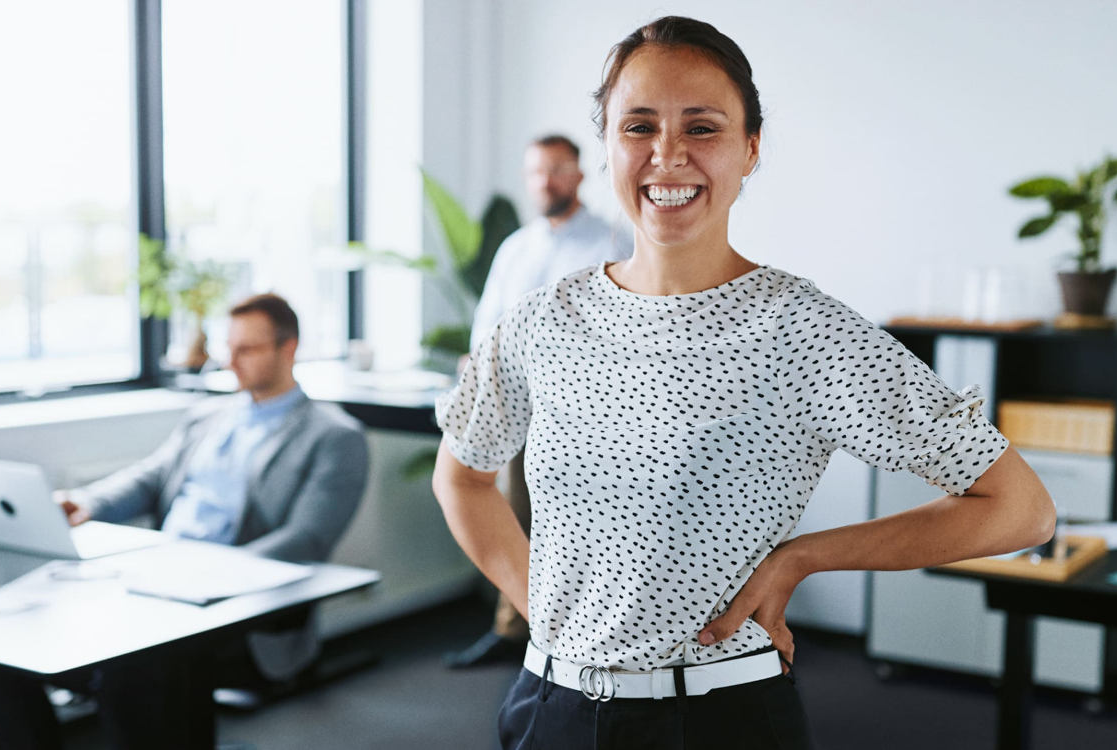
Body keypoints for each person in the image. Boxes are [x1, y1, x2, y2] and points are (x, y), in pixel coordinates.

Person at [431, 16, 1055, 749]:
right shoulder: (543, 322)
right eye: (638, 126)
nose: (668, 155)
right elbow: (464, 479)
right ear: (606, 145)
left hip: (716, 719)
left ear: (750, 149)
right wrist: (546, 609)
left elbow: (1019, 508)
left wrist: (804, 556)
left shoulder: (804, 331)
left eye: (702, 127)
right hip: (549, 709)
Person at [0, 292, 369, 750]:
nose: (230, 362)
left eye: (247, 350)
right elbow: (151, 476)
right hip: (157, 575)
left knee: (134, 661)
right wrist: (88, 503)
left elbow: (307, 538)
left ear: (289, 348)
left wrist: (205, 575)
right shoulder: (208, 416)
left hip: (232, 606)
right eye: (228, 348)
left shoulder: (334, 437)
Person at [445, 134, 633, 668]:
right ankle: (517, 629)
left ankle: (587, 632)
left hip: (592, 416)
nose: (545, 182)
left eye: (556, 170)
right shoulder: (516, 248)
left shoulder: (613, 241)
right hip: (519, 411)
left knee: (584, 525)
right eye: (535, 172)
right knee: (517, 518)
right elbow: (488, 325)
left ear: (577, 175)